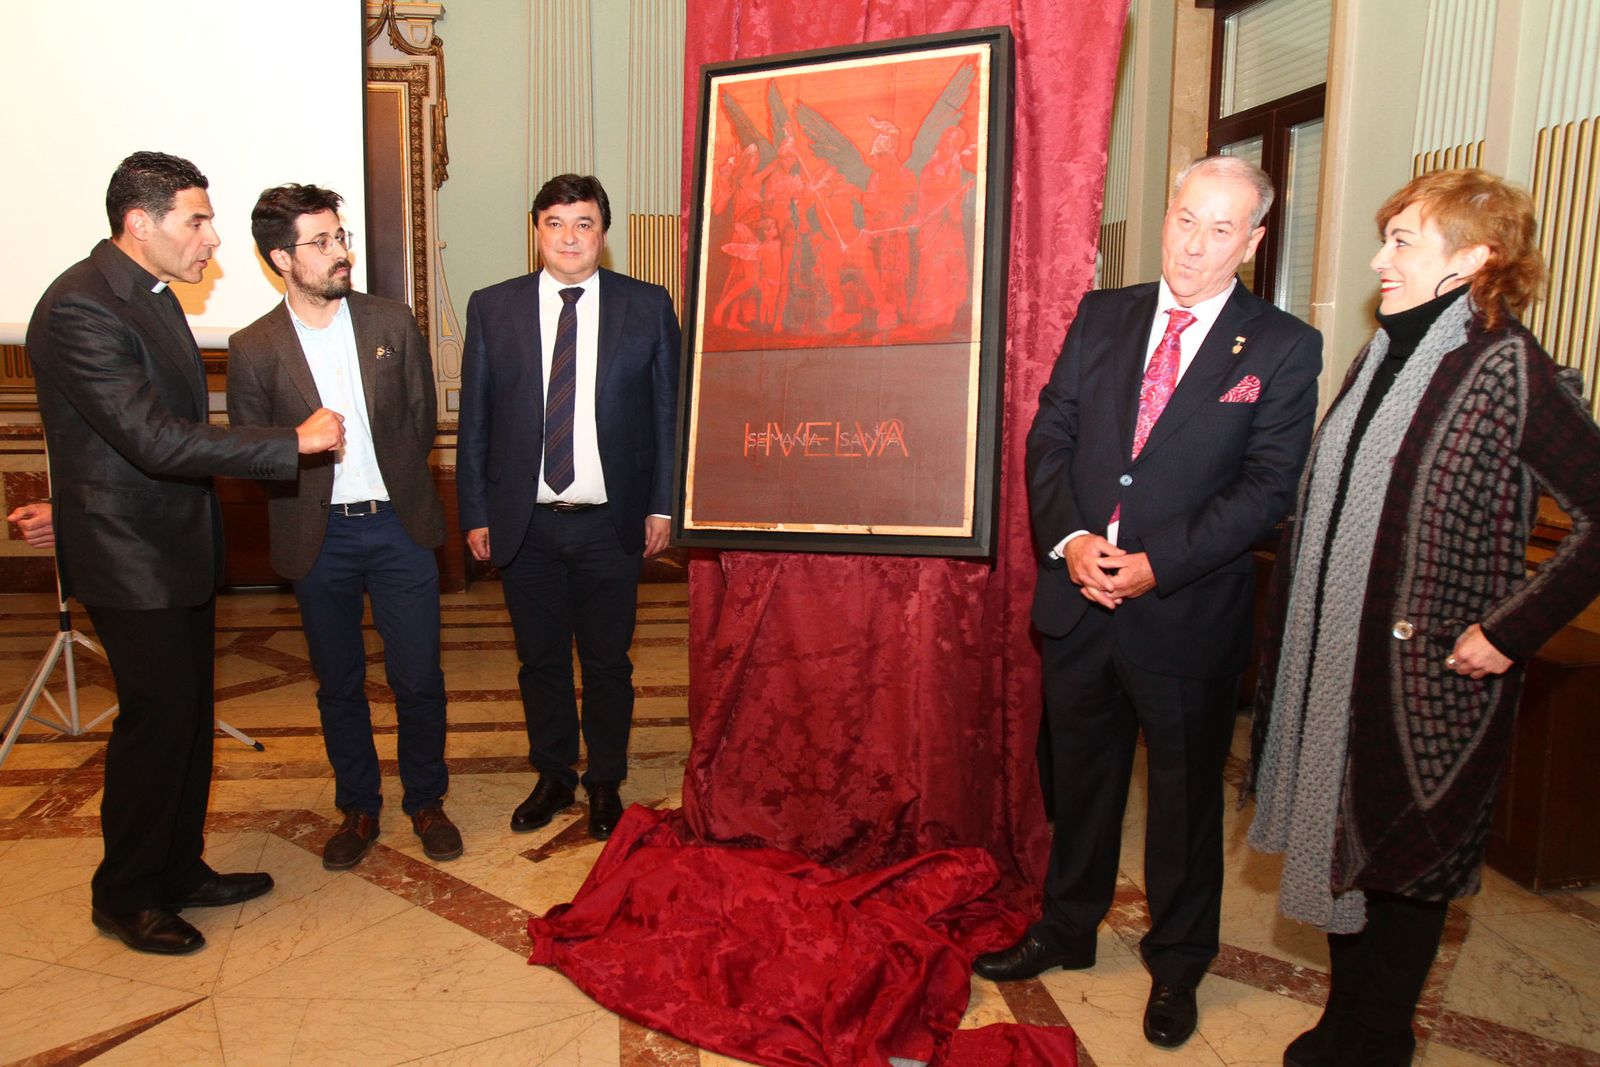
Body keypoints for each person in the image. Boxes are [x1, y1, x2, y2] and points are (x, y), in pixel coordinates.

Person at [1248, 168, 1600, 1067]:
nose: (1379, 259)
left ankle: (1378, 1039)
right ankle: (1346, 1020)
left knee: (1404, 867)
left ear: (1474, 258)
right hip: (1341, 662)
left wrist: (1510, 629)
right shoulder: (1384, 355)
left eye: (1404, 241)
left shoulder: (1511, 366)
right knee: (1345, 847)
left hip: (1430, 685)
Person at [975, 156, 1324, 1050]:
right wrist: (1072, 541)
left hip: (1185, 615)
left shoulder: (1282, 345)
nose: (1195, 245)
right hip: (1079, 598)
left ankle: (1177, 963)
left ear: (1251, 242)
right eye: (1185, 220)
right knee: (1079, 781)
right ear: (1165, 215)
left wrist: (1156, 563)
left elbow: (1267, 485)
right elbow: (1050, 431)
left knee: (1181, 800)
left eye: (1220, 230)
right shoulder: (1104, 314)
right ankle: (1067, 926)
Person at [25, 151, 345, 955]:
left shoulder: (154, 296)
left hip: (174, 545)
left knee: (189, 720)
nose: (211, 239)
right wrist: (290, 443)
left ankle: (180, 867)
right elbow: (150, 437)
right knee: (155, 726)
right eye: (196, 221)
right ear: (141, 223)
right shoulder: (80, 307)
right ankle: (126, 891)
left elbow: (125, 436)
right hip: (130, 556)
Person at [227, 184, 459, 871]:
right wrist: (298, 443)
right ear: (280, 257)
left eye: (340, 237)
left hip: (398, 526)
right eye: (321, 242)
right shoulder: (253, 346)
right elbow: (249, 447)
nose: (341, 253)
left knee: (418, 676)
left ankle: (427, 799)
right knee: (338, 682)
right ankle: (358, 804)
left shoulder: (392, 322)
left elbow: (418, 420)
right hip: (315, 535)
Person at [457, 174, 680, 841]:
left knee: (609, 660)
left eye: (583, 223)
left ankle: (605, 777)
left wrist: (664, 505)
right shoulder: (493, 308)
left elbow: (669, 413)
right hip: (525, 524)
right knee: (541, 659)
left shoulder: (646, 306)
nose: (569, 237)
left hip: (612, 524)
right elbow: (476, 423)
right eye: (555, 223)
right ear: (536, 230)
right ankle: (553, 773)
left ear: (602, 233)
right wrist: (475, 511)